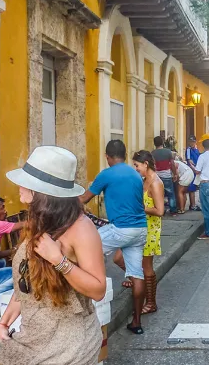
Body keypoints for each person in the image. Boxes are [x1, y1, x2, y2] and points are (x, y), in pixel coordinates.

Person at [0, 146, 106, 363]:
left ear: (42, 192)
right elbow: (27, 284)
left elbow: (98, 290)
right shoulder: (38, 221)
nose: (19, 186)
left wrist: (59, 260)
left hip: (70, 346)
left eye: (26, 182)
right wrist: (4, 321)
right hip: (33, 338)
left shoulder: (81, 228)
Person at [80, 140, 147, 334]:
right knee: (137, 274)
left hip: (120, 228)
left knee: (84, 249)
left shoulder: (106, 174)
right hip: (140, 229)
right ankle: (136, 322)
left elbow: (84, 199)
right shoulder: (135, 174)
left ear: (107, 157)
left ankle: (87, 302)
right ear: (125, 156)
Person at [112, 151, 164, 315]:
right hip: (136, 226)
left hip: (149, 230)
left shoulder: (156, 183)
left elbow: (160, 210)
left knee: (146, 266)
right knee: (118, 258)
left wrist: (139, 208)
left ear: (146, 164)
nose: (135, 168)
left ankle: (151, 303)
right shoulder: (143, 180)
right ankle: (136, 281)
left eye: (136, 165)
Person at [151, 136, 177, 216]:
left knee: (159, 194)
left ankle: (161, 210)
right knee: (171, 194)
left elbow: (152, 165)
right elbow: (172, 164)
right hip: (167, 175)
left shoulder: (152, 153)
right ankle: (173, 212)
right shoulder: (168, 152)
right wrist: (175, 173)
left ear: (154, 143)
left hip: (157, 176)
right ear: (162, 142)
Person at [185, 135, 202, 211]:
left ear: (195, 142)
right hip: (192, 171)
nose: (191, 143)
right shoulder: (188, 150)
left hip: (196, 170)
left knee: (194, 188)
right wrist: (194, 169)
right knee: (191, 188)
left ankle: (193, 204)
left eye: (193, 141)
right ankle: (193, 205)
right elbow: (189, 161)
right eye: (190, 141)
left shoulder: (196, 149)